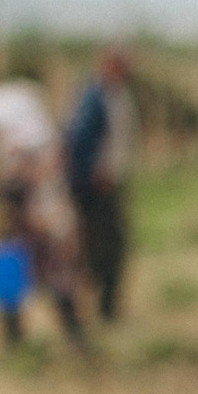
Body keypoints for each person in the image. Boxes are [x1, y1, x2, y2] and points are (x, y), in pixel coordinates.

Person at [0, 80, 88, 353]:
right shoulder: (46, 145)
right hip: (51, 223)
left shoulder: (21, 151)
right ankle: (68, 337)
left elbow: (14, 190)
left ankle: (23, 341)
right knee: (51, 281)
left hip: (37, 224)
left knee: (38, 281)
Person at [64, 47, 140, 321]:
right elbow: (78, 140)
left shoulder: (118, 95)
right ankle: (98, 309)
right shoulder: (94, 96)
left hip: (111, 182)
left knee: (109, 247)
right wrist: (94, 175)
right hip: (97, 188)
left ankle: (105, 307)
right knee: (105, 246)